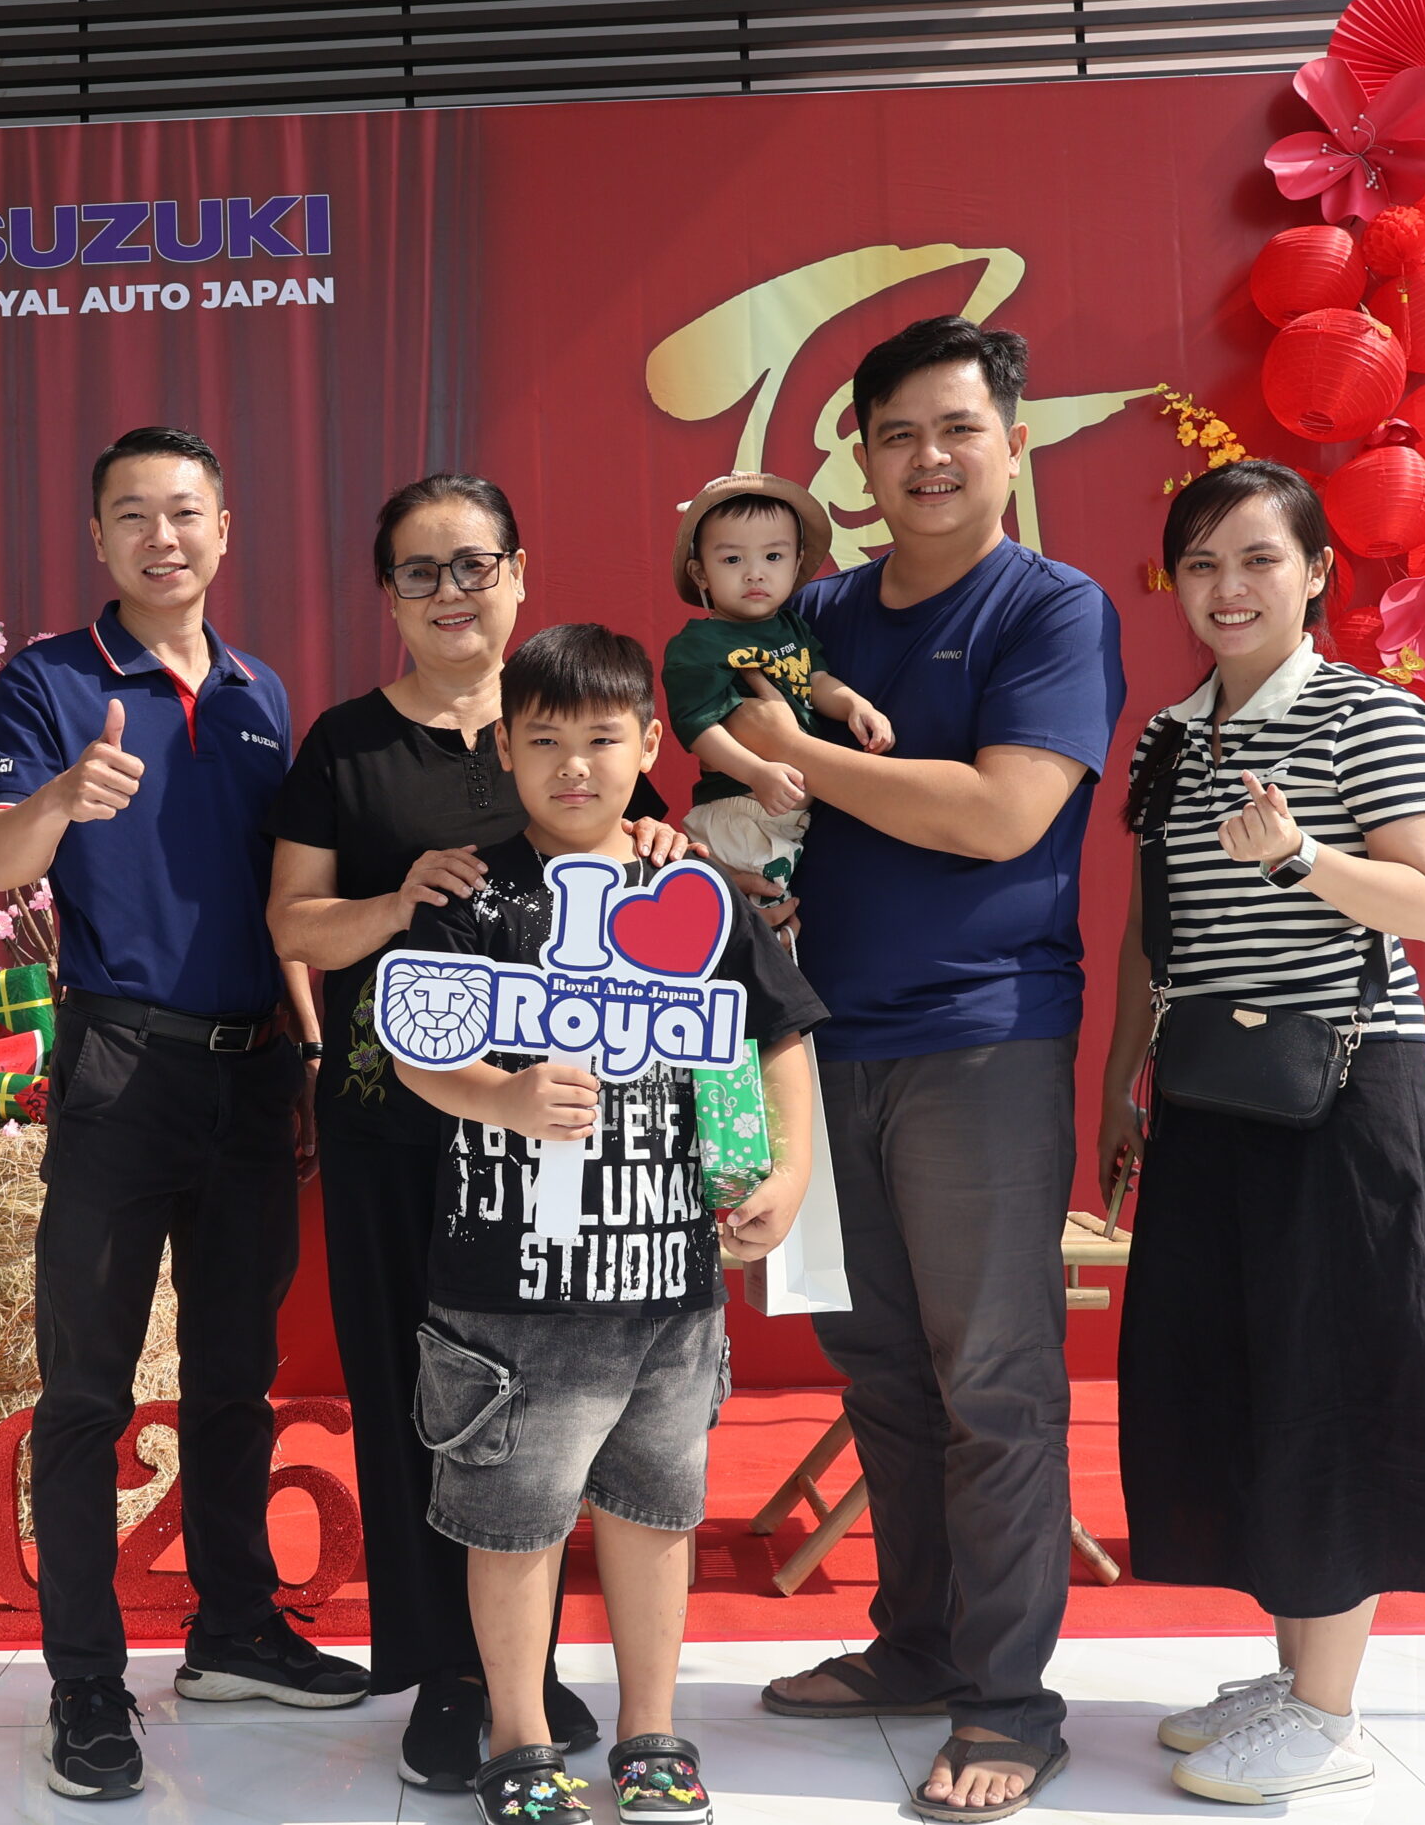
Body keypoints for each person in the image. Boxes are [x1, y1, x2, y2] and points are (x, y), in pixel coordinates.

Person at [733, 317, 1124, 1823]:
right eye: (896, 433)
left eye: (958, 428)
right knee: (882, 1365)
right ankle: (914, 1642)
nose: (929, 457)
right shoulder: (814, 609)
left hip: (981, 1037)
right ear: (861, 456)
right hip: (816, 1043)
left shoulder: (1051, 607)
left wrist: (803, 760)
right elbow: (728, 755)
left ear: (1011, 442)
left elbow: (1000, 813)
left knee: (995, 1378)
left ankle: (1010, 1700)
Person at [265, 474, 685, 1789]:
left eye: (474, 564)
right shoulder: (346, 746)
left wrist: (654, 844)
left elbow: (656, 873)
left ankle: (530, 1673)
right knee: (417, 1403)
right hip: (401, 1134)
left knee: (553, 1421)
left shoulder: (574, 720)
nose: (451, 591)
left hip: (570, 1151)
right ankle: (445, 1674)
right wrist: (398, 902)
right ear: (387, 593)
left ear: (518, 573)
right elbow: (293, 923)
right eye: (421, 569)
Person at [1096, 459, 1425, 1805]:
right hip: (1210, 1095)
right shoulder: (1168, 735)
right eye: (1202, 562)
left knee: (1329, 1376)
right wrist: (1121, 1081)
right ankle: (1291, 1674)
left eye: (1259, 558)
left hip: (1339, 1098)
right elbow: (1153, 930)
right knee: (1246, 1376)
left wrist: (1300, 859)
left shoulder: (1370, 714)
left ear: (1318, 570)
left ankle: (1327, 1716)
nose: (1229, 588)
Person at [0, 426, 364, 1803]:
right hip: (122, 1068)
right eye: (132, 514)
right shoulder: (52, 678)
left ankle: (236, 1628)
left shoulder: (262, 693)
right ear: (98, 538)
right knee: (85, 1388)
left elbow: (288, 904)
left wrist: (308, 1052)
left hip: (255, 1072)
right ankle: (86, 1680)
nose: (162, 536)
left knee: (234, 1373)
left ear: (224, 528)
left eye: (185, 511)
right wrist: (61, 796)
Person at [391, 623, 825, 1825]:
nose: (574, 765)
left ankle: (650, 1730)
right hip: (508, 1290)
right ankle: (518, 1734)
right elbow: (418, 1047)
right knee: (513, 1524)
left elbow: (778, 1035)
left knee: (654, 1512)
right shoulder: (472, 893)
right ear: (504, 748)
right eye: (544, 742)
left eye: (600, 739)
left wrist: (788, 1170)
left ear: (648, 744)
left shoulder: (691, 887)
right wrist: (501, 1097)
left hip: (669, 1281)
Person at [660, 471, 894, 898]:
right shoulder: (699, 644)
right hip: (740, 808)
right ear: (700, 573)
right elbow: (698, 728)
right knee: (742, 914)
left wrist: (854, 705)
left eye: (772, 557)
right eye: (732, 560)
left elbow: (815, 678)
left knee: (778, 914)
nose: (755, 573)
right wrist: (756, 771)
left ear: (796, 562)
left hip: (790, 814)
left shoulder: (791, 627)